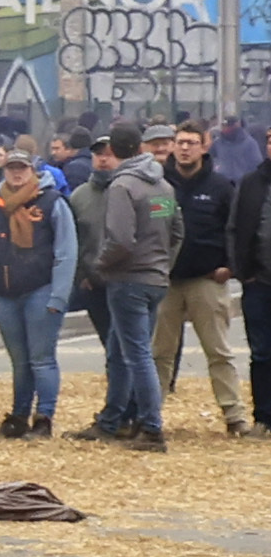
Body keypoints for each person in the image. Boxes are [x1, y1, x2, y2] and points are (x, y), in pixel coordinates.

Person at [86, 121, 181, 450]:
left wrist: (101, 263)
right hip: (155, 277)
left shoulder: (122, 186)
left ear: (113, 149)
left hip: (128, 279)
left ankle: (151, 426)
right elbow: (176, 231)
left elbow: (121, 239)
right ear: (140, 146)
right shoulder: (163, 187)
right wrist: (162, 262)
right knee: (121, 350)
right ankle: (112, 419)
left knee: (137, 354)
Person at [159, 116, 253, 438]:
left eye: (191, 143)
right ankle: (149, 415)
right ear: (173, 146)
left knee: (219, 353)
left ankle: (235, 417)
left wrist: (231, 265)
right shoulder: (160, 185)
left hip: (207, 280)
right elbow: (151, 227)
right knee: (159, 353)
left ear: (205, 146)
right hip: (166, 282)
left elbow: (235, 228)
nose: (185, 149)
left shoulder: (221, 187)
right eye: (180, 143)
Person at [0, 149, 78, 437]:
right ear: (4, 171)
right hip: (5, 291)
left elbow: (66, 251)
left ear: (32, 170)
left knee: (42, 358)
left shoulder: (52, 202)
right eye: (11, 168)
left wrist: (59, 294)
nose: (17, 173)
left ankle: (44, 416)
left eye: (22, 168)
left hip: (41, 289)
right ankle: (19, 413)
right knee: (19, 360)